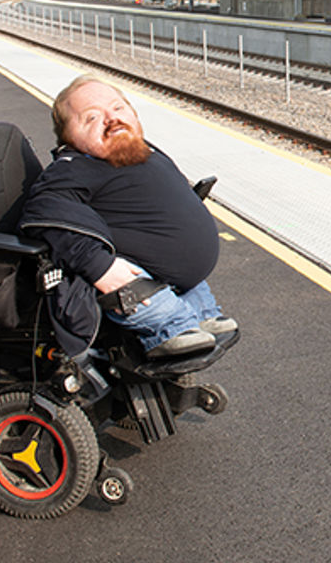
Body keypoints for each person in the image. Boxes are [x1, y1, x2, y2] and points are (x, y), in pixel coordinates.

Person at [20, 76, 236, 360]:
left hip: (176, 276)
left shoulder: (142, 150)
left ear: (134, 113)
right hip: (135, 281)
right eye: (92, 117)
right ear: (68, 137)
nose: (112, 119)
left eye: (118, 108)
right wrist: (100, 268)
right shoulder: (73, 168)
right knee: (134, 280)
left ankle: (200, 314)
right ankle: (170, 327)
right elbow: (44, 213)